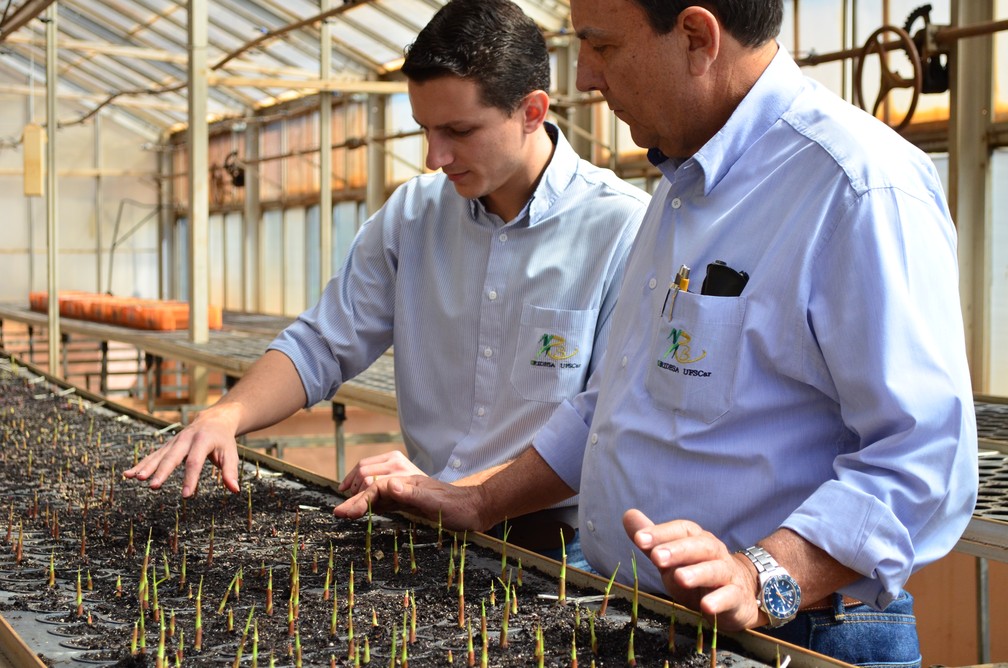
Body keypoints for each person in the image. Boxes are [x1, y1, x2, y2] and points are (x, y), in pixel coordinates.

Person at [334, 1, 978, 665]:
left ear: (697, 37)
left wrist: (764, 574)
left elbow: (921, 453)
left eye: (601, 46)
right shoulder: (684, 184)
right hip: (664, 618)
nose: (584, 77)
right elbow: (618, 398)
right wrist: (478, 501)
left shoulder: (855, 187)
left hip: (797, 634)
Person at [123, 0, 648, 556]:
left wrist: (459, 493)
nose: (434, 156)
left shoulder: (620, 228)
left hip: (552, 550)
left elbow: (602, 430)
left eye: (459, 130)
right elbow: (323, 343)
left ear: (532, 112)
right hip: (426, 528)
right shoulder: (414, 215)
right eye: (424, 128)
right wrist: (229, 413)